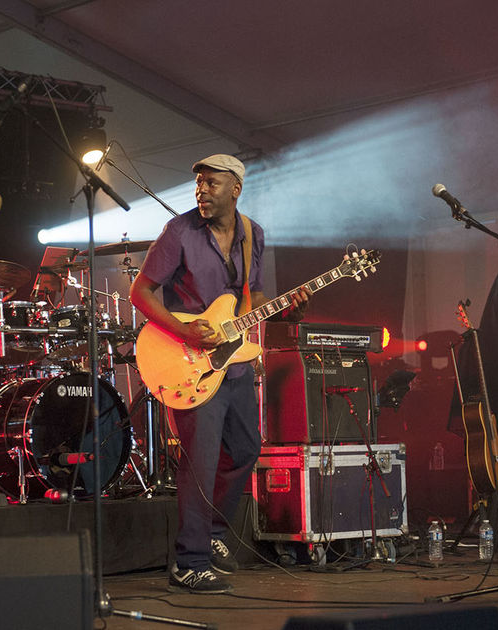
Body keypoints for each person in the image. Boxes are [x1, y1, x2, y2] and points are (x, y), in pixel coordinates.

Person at [130, 154, 309, 594]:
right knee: (201, 463)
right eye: (198, 184)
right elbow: (140, 292)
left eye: (211, 184)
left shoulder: (253, 234)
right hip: (187, 361)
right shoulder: (179, 232)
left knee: (246, 451)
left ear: (236, 189)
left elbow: (254, 292)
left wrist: (271, 314)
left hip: (235, 361)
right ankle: (189, 563)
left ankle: (209, 533)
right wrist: (183, 329)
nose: (201, 191)